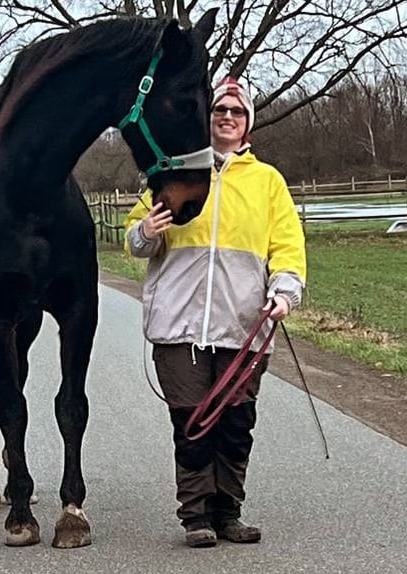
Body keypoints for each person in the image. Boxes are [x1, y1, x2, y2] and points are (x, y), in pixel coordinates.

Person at [124, 76, 307, 548]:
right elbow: (134, 241)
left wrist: (284, 293)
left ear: (247, 124)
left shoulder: (268, 183)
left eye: (237, 112)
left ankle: (229, 511)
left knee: (235, 425)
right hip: (179, 326)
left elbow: (287, 246)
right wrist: (146, 229)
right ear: (207, 120)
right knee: (191, 422)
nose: (228, 117)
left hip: (243, 325)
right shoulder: (174, 173)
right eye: (220, 110)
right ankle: (196, 516)